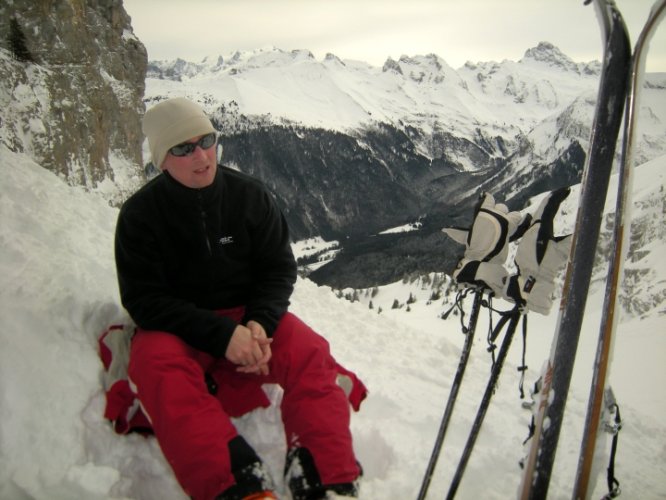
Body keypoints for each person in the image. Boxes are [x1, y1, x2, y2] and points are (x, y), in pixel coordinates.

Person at [114, 97, 366, 500]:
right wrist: (222, 336)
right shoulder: (140, 216)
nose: (201, 155)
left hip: (247, 318)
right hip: (180, 327)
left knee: (309, 352)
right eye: (183, 147)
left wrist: (259, 324)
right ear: (162, 159)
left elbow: (278, 270)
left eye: (207, 140)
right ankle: (236, 485)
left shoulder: (250, 197)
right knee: (155, 365)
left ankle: (326, 478)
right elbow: (145, 300)